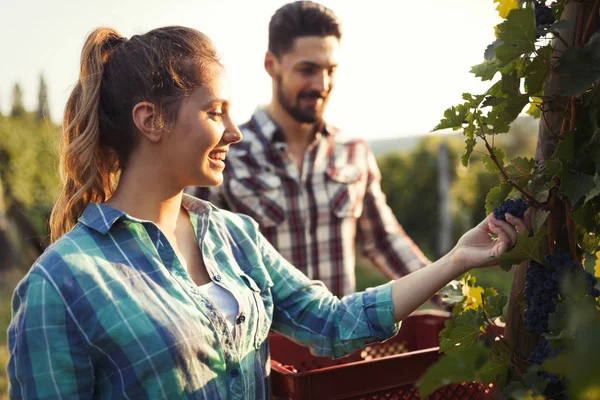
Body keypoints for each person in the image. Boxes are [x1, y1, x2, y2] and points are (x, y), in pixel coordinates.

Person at [7, 26, 524, 400]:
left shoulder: (234, 237)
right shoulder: (61, 286)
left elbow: (333, 323)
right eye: (215, 112)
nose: (233, 132)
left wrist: (457, 259)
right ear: (151, 120)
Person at [186, 1, 436, 298]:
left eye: (330, 70)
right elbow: (191, 255)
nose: (322, 84)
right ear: (271, 65)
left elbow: (384, 242)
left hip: (344, 338)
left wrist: (458, 303)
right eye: (307, 70)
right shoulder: (224, 154)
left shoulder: (353, 151)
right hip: (264, 343)